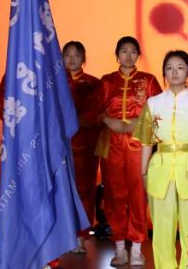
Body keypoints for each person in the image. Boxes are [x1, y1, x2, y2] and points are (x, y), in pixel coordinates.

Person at [135, 50, 188, 269]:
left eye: (180, 67)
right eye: (169, 68)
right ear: (164, 72)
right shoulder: (153, 104)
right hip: (160, 168)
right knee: (162, 228)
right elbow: (146, 142)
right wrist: (143, 173)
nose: (174, 72)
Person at [99, 36, 162, 267]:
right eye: (124, 51)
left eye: (133, 51)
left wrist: (139, 122)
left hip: (139, 144)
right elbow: (94, 110)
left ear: (139, 55)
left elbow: (159, 110)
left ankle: (136, 248)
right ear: (117, 54)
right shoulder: (106, 82)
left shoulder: (149, 80)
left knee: (138, 195)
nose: (128, 55)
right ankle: (119, 248)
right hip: (112, 143)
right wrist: (108, 120)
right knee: (114, 195)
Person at [62, 41, 103, 256]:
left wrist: (75, 120)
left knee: (84, 190)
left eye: (76, 55)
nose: (71, 59)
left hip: (84, 144)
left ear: (83, 58)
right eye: (67, 55)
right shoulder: (53, 82)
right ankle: (61, 236)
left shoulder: (93, 84)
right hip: (58, 144)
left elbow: (97, 114)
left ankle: (80, 236)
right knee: (60, 189)